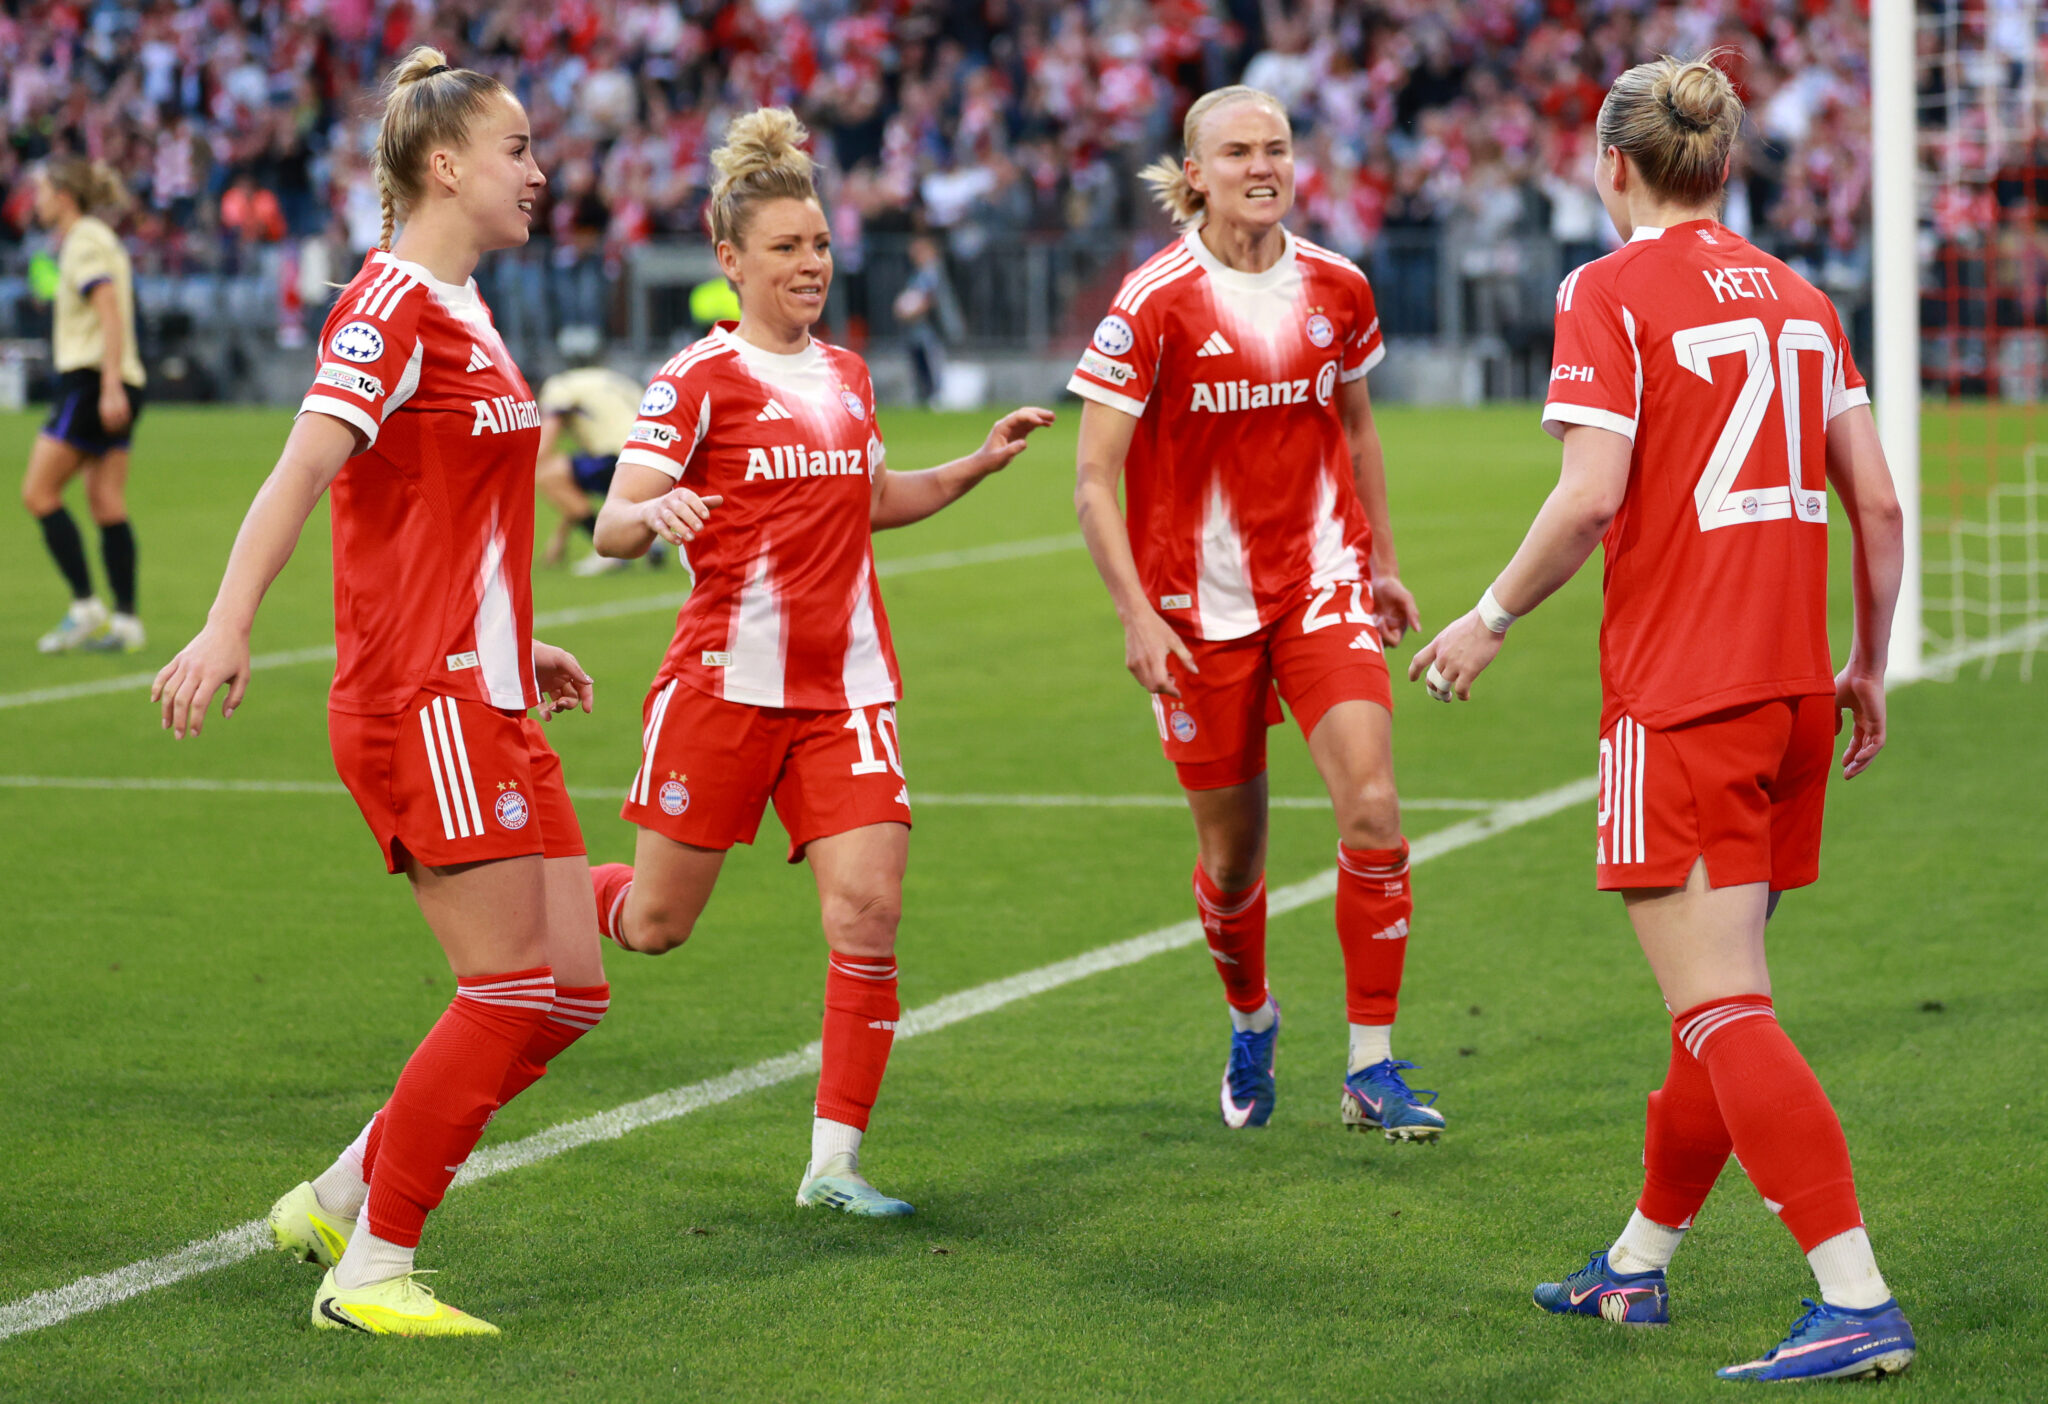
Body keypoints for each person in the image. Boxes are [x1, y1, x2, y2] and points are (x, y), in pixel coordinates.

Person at [1407, 54, 1915, 1383]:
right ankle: (1637, 1266)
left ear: (1610, 163)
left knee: (1722, 1012)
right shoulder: (1806, 300)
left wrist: (1489, 617)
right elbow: (1878, 504)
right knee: (1717, 1000)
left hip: (1682, 698)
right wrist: (1865, 664)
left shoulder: (1609, 288)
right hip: (1794, 692)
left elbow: (1588, 498)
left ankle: (1854, 1296)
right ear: (1725, 164)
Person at [151, 48, 610, 1338]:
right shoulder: (391, 305)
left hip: (487, 686)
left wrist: (527, 641)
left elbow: (446, 519)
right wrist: (226, 625)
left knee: (569, 989)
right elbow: (301, 471)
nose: (539, 170)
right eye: (517, 149)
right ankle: (372, 1271)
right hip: (422, 701)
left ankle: (340, 1194)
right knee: (510, 988)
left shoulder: (463, 307)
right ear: (444, 164)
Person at [585, 107, 1053, 1217]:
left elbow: (868, 500)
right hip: (722, 685)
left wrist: (974, 468)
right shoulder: (694, 380)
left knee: (869, 913)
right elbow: (609, 524)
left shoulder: (847, 374)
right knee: (655, 926)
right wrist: (658, 514)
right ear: (730, 258)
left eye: (820, 245)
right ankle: (549, 892)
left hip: (846, 692)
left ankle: (832, 1165)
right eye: (787, 247)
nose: (810, 264)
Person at [1069, 85, 1441, 1140]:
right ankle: (1251, 1017)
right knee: (1233, 862)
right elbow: (1094, 476)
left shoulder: (1337, 285)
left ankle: (1370, 1064)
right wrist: (1135, 615)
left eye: (1275, 148)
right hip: (1195, 615)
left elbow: (1357, 430)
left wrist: (1380, 560)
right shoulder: (1152, 302)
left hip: (1319, 586)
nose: (1260, 166)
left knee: (1371, 807)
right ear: (1194, 173)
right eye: (1236, 152)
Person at [22, 157, 148, 654]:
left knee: (38, 492)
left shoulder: (84, 240)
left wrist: (110, 384)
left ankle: (85, 606)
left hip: (93, 380)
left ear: (63, 196)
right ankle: (126, 621)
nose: (36, 201)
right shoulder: (93, 236)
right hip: (114, 379)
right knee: (105, 501)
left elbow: (108, 309)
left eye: (41, 191)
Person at [533, 328, 645, 574]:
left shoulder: (562, 384)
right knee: (570, 475)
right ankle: (649, 536)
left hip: (615, 459)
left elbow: (545, 446)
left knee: (547, 472)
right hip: (650, 457)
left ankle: (610, 549)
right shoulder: (621, 380)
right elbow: (573, 490)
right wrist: (559, 538)